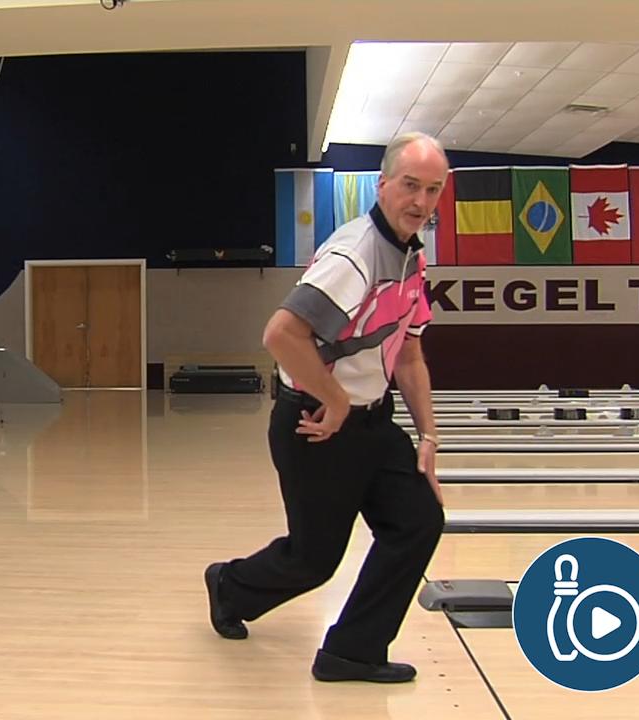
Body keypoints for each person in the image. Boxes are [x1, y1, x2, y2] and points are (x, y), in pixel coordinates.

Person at [204, 132, 448, 684]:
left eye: (433, 190)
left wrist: (429, 437)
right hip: (315, 424)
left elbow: (409, 353)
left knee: (418, 521)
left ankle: (352, 652)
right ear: (382, 185)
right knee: (313, 560)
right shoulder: (355, 254)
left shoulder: (411, 256)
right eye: (411, 186)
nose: (421, 201)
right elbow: (282, 334)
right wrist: (335, 398)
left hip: (373, 423)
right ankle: (229, 585)